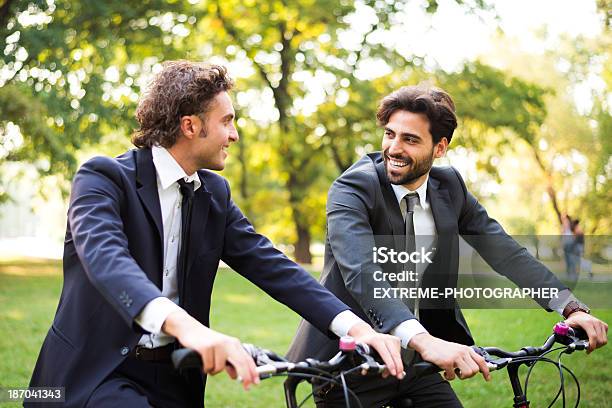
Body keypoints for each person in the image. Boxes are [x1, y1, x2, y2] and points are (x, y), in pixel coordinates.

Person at [27, 61, 405, 408]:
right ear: (190, 126)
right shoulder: (103, 178)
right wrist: (192, 330)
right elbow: (108, 261)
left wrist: (356, 328)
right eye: (227, 121)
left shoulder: (214, 195)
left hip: (176, 377)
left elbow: (272, 266)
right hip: (95, 374)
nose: (234, 134)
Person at [287, 85, 608, 407]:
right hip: (350, 365)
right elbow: (362, 272)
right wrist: (424, 341)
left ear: (440, 148)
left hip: (417, 363)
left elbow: (505, 252)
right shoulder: (352, 189)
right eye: (389, 134)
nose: (394, 149)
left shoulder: (450, 187)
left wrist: (571, 308)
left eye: (410, 139)